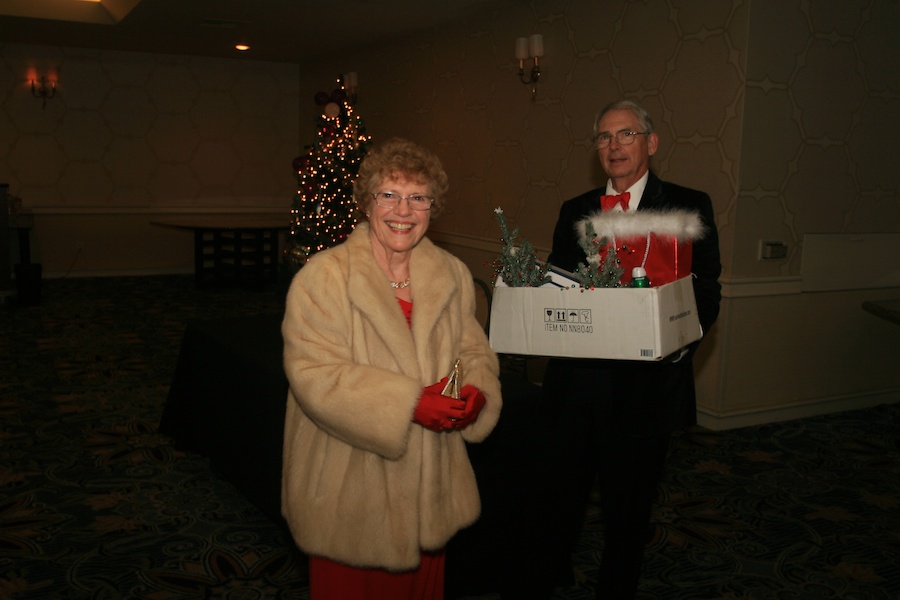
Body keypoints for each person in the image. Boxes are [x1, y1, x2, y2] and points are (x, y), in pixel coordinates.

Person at [280, 137, 503, 600]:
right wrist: (408, 405)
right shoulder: (323, 277)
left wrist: (474, 391)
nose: (403, 210)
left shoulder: (452, 274)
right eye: (389, 195)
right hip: (350, 494)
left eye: (418, 197)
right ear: (367, 202)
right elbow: (314, 375)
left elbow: (471, 352)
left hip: (430, 491)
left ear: (432, 208)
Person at [539, 99, 722, 599]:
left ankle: (616, 588)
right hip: (576, 379)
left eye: (625, 135)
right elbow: (558, 279)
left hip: (647, 384)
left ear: (650, 142)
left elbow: (706, 289)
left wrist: (679, 337)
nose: (613, 146)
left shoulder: (688, 205)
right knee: (561, 491)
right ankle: (552, 572)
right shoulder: (575, 209)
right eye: (603, 137)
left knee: (630, 500)